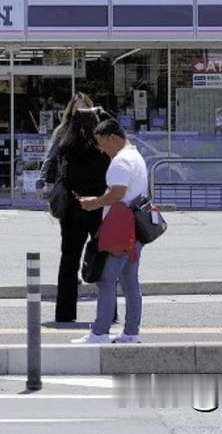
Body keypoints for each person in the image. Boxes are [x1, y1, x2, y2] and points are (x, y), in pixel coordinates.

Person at [73, 119, 149, 344]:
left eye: (102, 144)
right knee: (130, 281)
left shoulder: (121, 162)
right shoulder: (136, 157)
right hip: (135, 228)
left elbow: (117, 194)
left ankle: (100, 332)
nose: (101, 149)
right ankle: (131, 332)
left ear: (113, 139)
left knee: (106, 280)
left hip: (119, 229)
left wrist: (92, 203)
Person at [45, 105, 116, 324]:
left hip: (73, 209)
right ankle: (109, 312)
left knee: (69, 261)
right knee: (104, 261)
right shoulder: (102, 148)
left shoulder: (68, 146)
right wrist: (102, 112)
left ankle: (65, 314)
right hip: (98, 208)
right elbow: (115, 127)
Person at [36, 93, 95, 201]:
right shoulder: (62, 131)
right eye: (76, 107)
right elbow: (50, 157)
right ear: (71, 110)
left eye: (83, 107)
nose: (80, 110)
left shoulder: (96, 131)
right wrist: (40, 182)